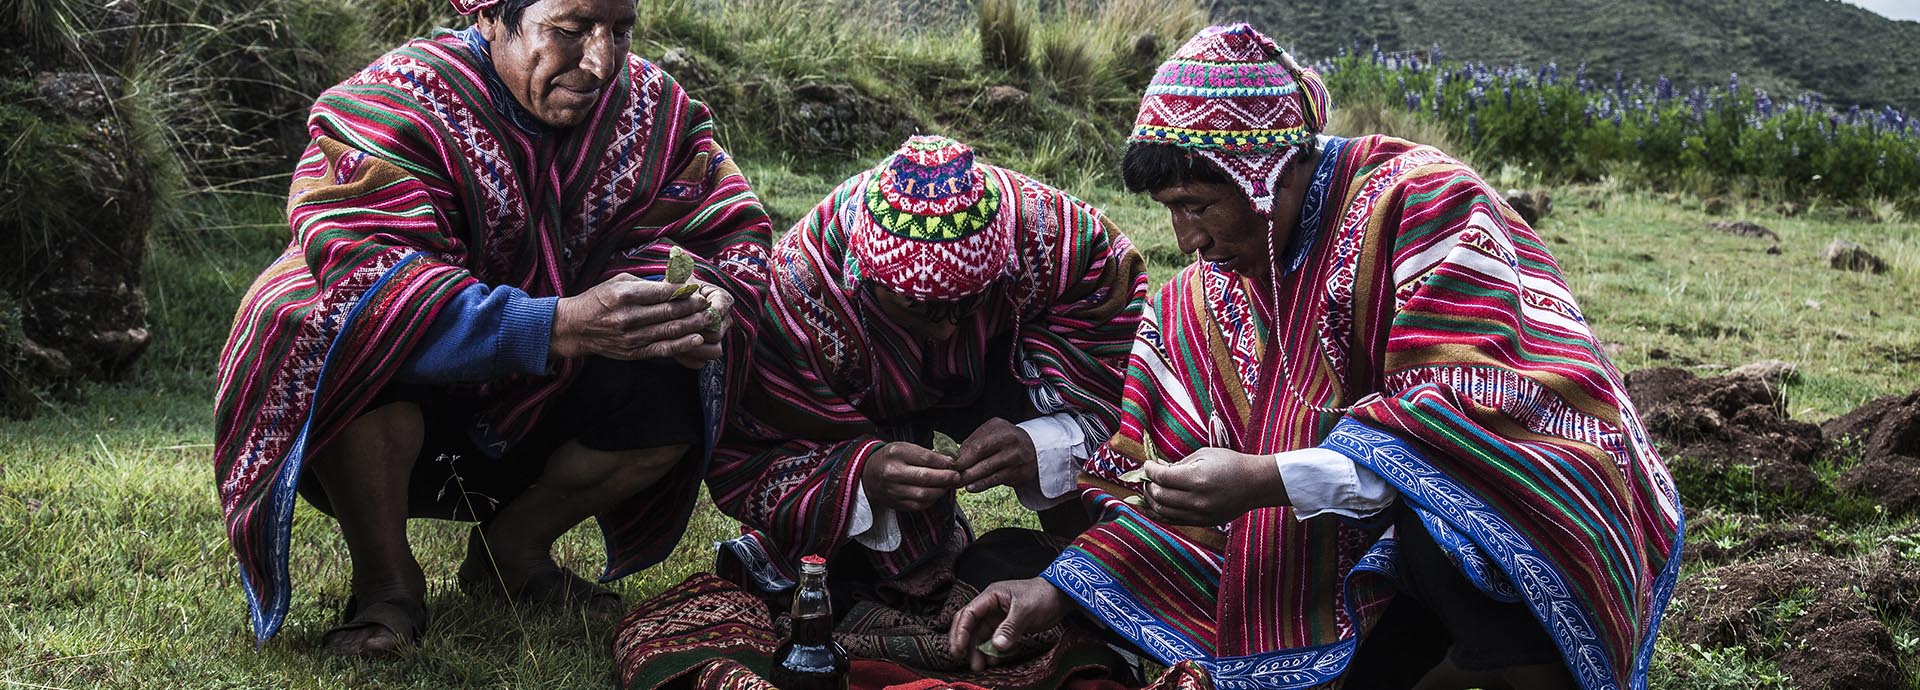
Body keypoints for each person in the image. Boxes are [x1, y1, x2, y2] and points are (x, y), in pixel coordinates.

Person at [949, 24, 1684, 690]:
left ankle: (1519, 668)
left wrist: (1265, 479)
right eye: (1170, 208)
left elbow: (1481, 421)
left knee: (1451, 512)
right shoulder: (1195, 304)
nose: (1186, 240)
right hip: (1351, 551)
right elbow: (1154, 476)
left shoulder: (1426, 205)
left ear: (1274, 177)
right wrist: (1058, 589)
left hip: (1530, 489)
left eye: (1199, 205)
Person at [211, 0, 770, 657]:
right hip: (411, 410)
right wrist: (560, 323)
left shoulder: (656, 111)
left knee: (682, 367)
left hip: (553, 407)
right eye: (569, 30)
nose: (601, 61)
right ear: (492, 18)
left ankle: (513, 552)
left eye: (620, 30)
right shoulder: (392, 103)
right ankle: (386, 585)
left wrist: (704, 296)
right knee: (328, 320)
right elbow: (371, 278)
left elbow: (728, 227)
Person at [707, 135, 1148, 601]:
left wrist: (1043, 442)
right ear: (861, 278)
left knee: (1086, 512)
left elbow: (1122, 372)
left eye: (965, 305)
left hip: (1007, 345)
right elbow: (751, 446)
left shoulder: (1052, 237)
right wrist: (862, 475)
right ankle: (877, 556)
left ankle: (1095, 581)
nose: (944, 332)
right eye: (920, 309)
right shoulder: (802, 293)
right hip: (856, 380)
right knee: (839, 578)